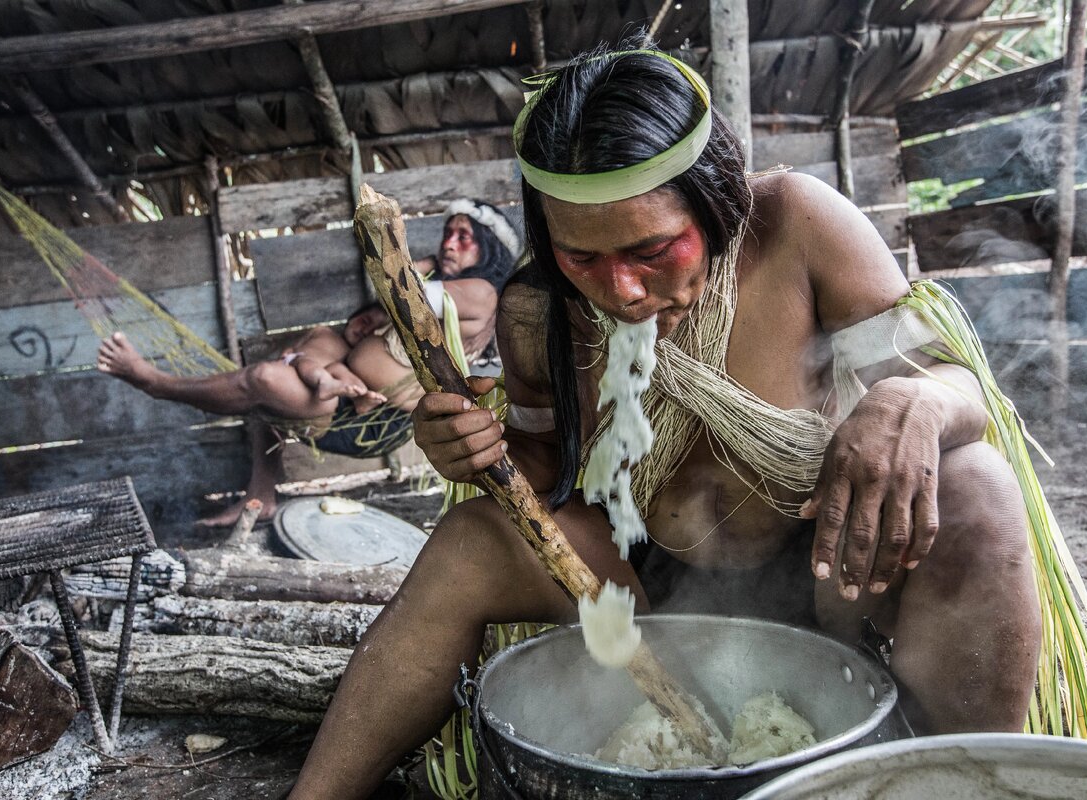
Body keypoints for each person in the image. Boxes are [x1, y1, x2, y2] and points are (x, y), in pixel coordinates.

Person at [288, 43, 1041, 798]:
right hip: (651, 584)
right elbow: (536, 475)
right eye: (582, 257)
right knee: (471, 539)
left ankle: (983, 779)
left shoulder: (796, 226)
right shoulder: (537, 306)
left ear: (714, 199)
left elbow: (958, 389)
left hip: (837, 573)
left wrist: (917, 399)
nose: (621, 290)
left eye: (652, 250)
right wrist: (470, 446)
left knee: (976, 482)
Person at [97, 199, 521, 526]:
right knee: (303, 357)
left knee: (263, 380)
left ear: (490, 249)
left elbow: (400, 286)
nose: (449, 243)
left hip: (368, 419)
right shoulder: (450, 286)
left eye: (464, 236)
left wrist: (422, 262)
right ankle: (263, 494)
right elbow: (395, 303)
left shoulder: (483, 291)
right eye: (448, 233)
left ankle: (154, 382)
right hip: (345, 389)